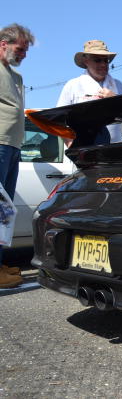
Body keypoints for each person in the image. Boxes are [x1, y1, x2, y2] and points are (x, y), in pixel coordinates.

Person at [0, 23, 35, 288]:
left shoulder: (17, 77)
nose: (23, 55)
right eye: (20, 49)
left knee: (5, 210)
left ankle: (0, 263)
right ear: (4, 44)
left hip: (13, 147)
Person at [57, 40, 122, 144]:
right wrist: (70, 143)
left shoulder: (119, 85)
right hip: (85, 152)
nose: (103, 64)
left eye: (106, 60)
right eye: (98, 60)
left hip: (114, 151)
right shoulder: (73, 85)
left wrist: (115, 100)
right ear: (86, 62)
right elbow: (58, 120)